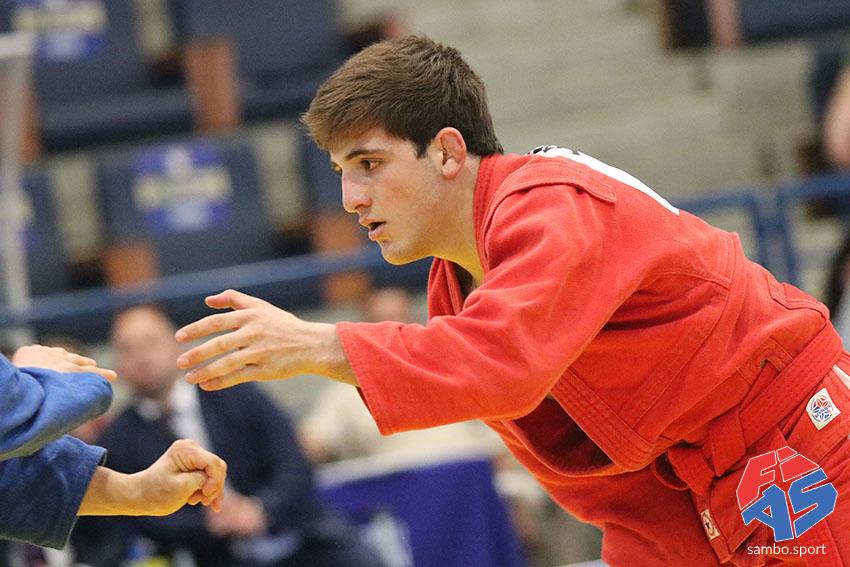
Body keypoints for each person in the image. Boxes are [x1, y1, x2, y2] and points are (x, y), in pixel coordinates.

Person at [175, 35, 850, 565]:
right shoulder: (456, 286)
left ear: (447, 152)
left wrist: (322, 344)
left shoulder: (548, 203)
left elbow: (500, 361)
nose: (352, 199)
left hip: (800, 438)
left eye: (370, 164)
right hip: (694, 489)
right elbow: (610, 481)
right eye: (340, 173)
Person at [73, 305, 381, 566]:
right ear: (118, 364)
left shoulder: (235, 392)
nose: (142, 357)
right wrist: (210, 523)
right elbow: (138, 514)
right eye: (128, 349)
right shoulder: (118, 438)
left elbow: (293, 461)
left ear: (176, 345)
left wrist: (260, 509)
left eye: (151, 342)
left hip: (301, 537)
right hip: (209, 555)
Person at [0, 345, 226, 551]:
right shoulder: (120, 431)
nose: (143, 358)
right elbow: (90, 390)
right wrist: (39, 379)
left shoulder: (227, 398)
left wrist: (138, 490)